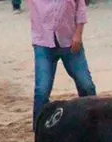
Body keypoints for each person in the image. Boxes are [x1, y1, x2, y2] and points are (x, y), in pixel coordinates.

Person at [29, 0, 96, 128]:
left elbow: (80, 7)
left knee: (86, 85)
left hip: (69, 41)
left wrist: (78, 34)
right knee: (42, 90)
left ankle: (94, 122)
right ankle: (38, 129)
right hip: (43, 42)